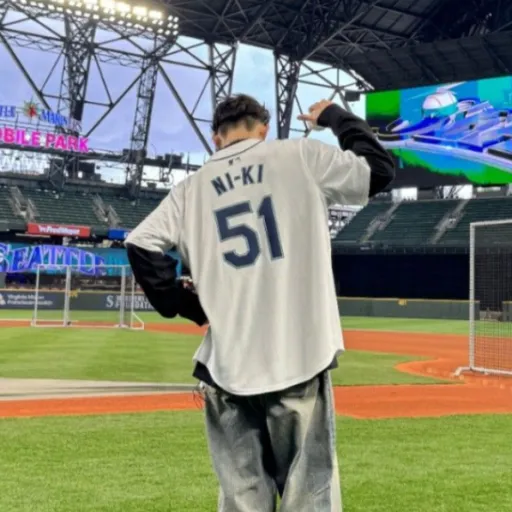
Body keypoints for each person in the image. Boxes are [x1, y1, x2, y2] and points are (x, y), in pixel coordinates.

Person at [125, 95, 395, 512]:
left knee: (242, 502)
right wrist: (333, 116)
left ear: (217, 138)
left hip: (227, 367)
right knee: (309, 500)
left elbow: (140, 243)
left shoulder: (190, 189)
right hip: (299, 358)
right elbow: (378, 169)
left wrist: (188, 305)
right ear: (262, 129)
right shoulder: (299, 155)